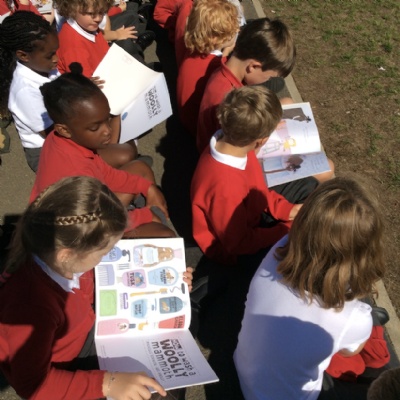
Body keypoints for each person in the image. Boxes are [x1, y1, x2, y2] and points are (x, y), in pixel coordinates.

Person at [0, 176, 192, 399]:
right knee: (158, 388)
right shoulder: (31, 307)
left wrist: (169, 284)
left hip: (88, 330)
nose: (107, 257)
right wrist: (108, 384)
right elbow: (34, 386)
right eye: (103, 252)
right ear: (67, 255)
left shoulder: (63, 260)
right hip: (67, 368)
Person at [234, 176, 386, 400]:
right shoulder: (352, 318)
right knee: (380, 378)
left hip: (245, 374)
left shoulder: (280, 247)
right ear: (367, 250)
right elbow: (350, 351)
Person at [30, 72, 174, 238]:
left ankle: (147, 211)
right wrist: (144, 216)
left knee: (141, 169)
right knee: (165, 235)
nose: (108, 130)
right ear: (64, 130)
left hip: (90, 211)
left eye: (107, 119)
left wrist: (147, 187)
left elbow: (105, 172)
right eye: (95, 127)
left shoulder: (61, 140)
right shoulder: (77, 174)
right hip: (75, 234)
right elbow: (94, 223)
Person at [0, 11, 136, 172]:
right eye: (50, 55)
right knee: (125, 153)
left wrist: (81, 86)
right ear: (23, 55)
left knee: (118, 119)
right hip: (48, 150)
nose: (57, 59)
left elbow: (62, 89)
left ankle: (110, 163)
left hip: (69, 126)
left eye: (56, 51)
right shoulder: (25, 92)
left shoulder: (43, 66)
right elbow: (53, 135)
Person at [191, 85, 301, 267]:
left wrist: (284, 209)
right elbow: (238, 243)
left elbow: (256, 186)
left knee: (307, 190)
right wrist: (286, 230)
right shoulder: (226, 188)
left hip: (249, 218)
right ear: (261, 141)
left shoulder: (230, 142)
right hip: (233, 251)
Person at [196, 17, 296, 153]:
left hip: (224, 135)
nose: (268, 80)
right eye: (269, 77)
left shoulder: (224, 67)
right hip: (225, 149)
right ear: (253, 66)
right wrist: (267, 130)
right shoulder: (227, 99)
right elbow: (236, 148)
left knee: (287, 102)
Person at [176, 0, 239, 137]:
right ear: (217, 39)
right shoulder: (215, 65)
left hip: (187, 116)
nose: (237, 31)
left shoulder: (192, 49)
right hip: (198, 127)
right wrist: (226, 55)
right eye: (233, 32)